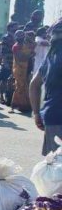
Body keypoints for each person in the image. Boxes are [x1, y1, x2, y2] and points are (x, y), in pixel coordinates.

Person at [30, 18, 62, 156]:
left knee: (55, 169)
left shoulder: (50, 58)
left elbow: (33, 85)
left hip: (53, 116)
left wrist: (37, 113)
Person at [11, 30, 35, 113]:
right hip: (19, 69)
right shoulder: (16, 46)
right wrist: (30, 55)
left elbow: (34, 45)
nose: (21, 38)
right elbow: (21, 58)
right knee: (20, 87)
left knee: (25, 86)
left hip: (27, 68)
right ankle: (19, 105)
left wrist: (29, 37)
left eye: (22, 36)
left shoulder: (25, 45)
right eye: (20, 36)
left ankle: (24, 104)